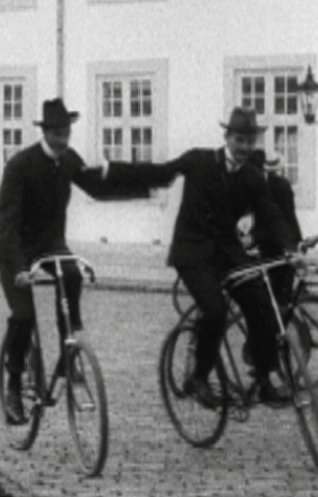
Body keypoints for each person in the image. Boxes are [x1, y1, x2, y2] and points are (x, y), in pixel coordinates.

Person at [109, 107, 299, 406]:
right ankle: (198, 377)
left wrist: (290, 247)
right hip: (192, 252)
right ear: (227, 137)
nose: (245, 147)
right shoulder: (199, 161)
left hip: (227, 255)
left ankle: (263, 379)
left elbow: (271, 214)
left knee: (263, 305)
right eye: (239, 140)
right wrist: (112, 171)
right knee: (214, 311)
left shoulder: (252, 177)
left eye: (250, 141)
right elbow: (160, 173)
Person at [0, 98, 147, 424]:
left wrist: (141, 183)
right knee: (23, 315)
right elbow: (7, 223)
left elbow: (97, 187)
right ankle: (13, 383)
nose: (63, 140)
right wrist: (20, 268)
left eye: (66, 133)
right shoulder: (20, 165)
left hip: (49, 243)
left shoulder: (68, 160)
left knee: (73, 275)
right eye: (57, 134)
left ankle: (70, 350)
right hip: (13, 246)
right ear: (45, 132)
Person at [248, 150, 303, 309]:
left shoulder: (278, 185)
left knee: (279, 291)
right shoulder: (267, 185)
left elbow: (284, 217)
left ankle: (284, 318)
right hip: (272, 241)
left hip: (283, 241)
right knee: (272, 287)